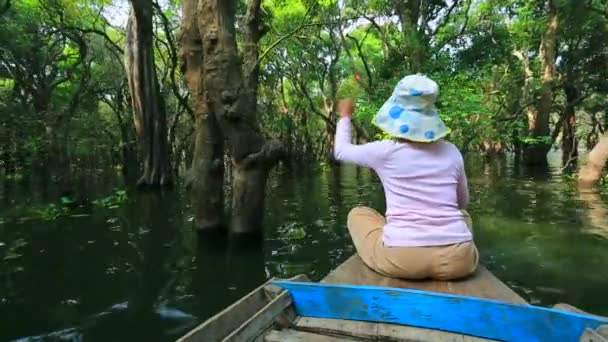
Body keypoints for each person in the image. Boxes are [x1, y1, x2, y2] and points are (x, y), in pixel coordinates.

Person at [334, 74, 478, 280]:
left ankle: (397, 236)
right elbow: (462, 203)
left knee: (358, 214)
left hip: (403, 259)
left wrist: (345, 116)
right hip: (457, 261)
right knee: (464, 216)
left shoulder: (385, 151)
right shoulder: (452, 151)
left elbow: (341, 151)